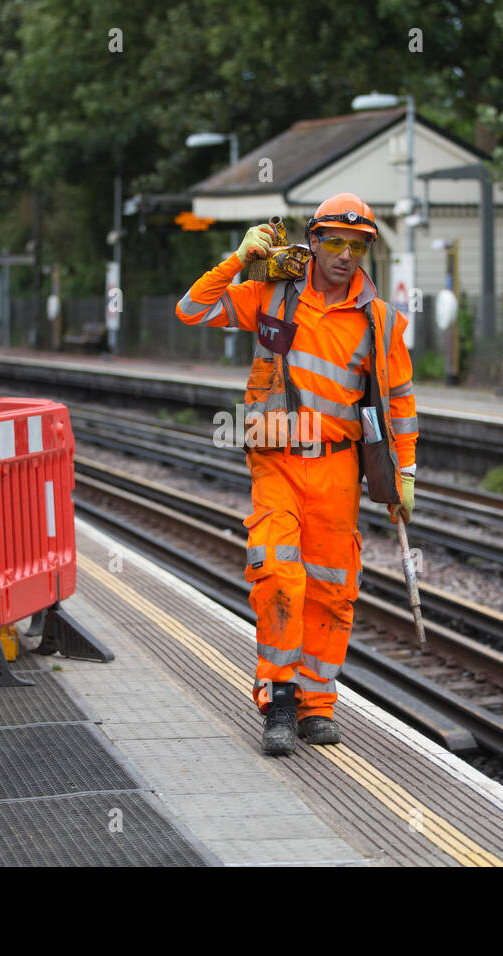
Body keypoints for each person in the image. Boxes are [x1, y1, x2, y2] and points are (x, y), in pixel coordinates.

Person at [175, 192, 418, 755]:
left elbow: (401, 401)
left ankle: (317, 705)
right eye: (334, 241)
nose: (345, 254)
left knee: (333, 590)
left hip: (338, 468)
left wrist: (404, 471)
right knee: (279, 574)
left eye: (357, 245)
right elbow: (191, 309)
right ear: (313, 240)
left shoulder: (379, 321)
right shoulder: (272, 293)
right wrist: (238, 259)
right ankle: (279, 700)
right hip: (277, 463)